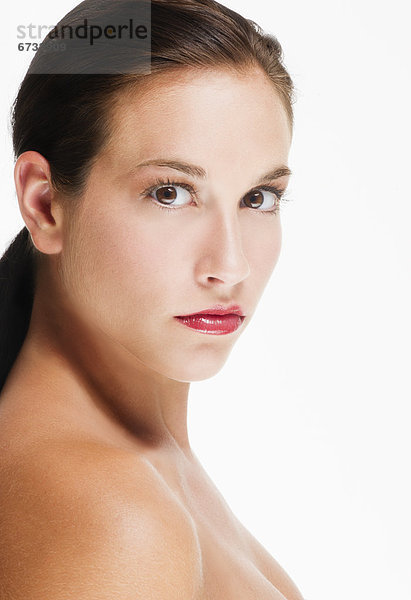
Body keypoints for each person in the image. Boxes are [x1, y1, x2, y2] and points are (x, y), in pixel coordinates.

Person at [0, 0, 304, 597]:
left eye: (259, 197)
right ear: (44, 203)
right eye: (170, 192)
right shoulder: (110, 516)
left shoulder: (142, 465)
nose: (231, 264)